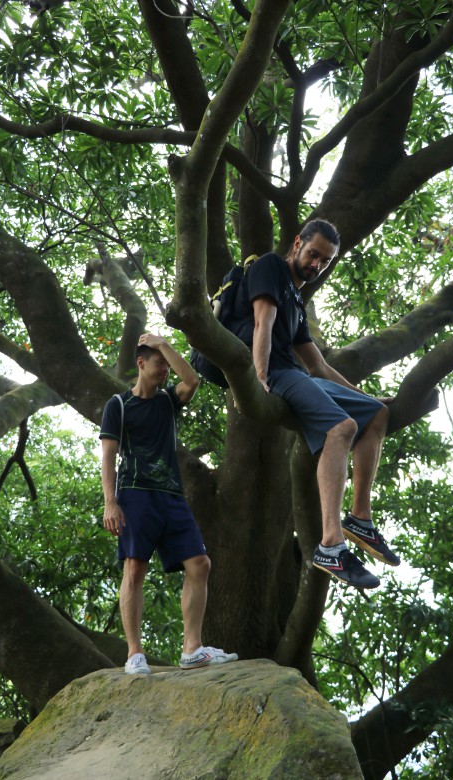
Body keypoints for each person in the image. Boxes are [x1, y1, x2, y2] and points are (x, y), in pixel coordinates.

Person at [232, 219, 400, 590]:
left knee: (376, 414)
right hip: (277, 373)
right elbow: (263, 321)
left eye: (324, 261)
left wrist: (365, 397)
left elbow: (318, 365)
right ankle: (330, 544)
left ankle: (359, 518)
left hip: (299, 376)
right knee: (342, 428)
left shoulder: (296, 299)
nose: (316, 265)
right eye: (313, 255)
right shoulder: (271, 267)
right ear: (297, 244)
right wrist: (260, 376)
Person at [100, 333, 238, 674]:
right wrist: (110, 502)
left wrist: (164, 345)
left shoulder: (166, 401)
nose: (165, 369)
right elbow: (108, 455)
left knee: (200, 565)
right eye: (159, 362)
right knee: (134, 569)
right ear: (140, 363)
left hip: (172, 496)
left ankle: (192, 648)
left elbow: (191, 380)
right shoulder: (118, 405)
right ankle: (134, 653)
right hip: (135, 494)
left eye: (166, 362)